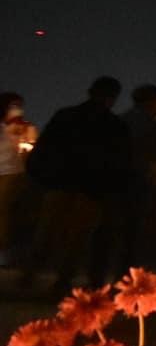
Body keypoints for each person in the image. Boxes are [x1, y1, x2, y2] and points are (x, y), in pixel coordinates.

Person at [24, 77, 131, 293]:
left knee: (48, 232)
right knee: (76, 237)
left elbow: (45, 147)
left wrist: (39, 175)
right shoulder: (114, 125)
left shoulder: (67, 116)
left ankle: (31, 275)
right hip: (90, 188)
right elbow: (120, 161)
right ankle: (62, 278)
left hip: (62, 182)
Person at [120, 84, 156, 273]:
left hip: (116, 183)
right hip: (138, 183)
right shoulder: (153, 127)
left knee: (111, 233)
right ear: (152, 101)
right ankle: (128, 276)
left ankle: (101, 277)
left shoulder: (121, 120)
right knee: (133, 234)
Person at [0, 93, 39, 265]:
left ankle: (5, 251)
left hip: (12, 172)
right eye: (12, 105)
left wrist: (26, 146)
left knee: (4, 211)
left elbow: (32, 148)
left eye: (19, 105)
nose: (16, 109)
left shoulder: (26, 127)